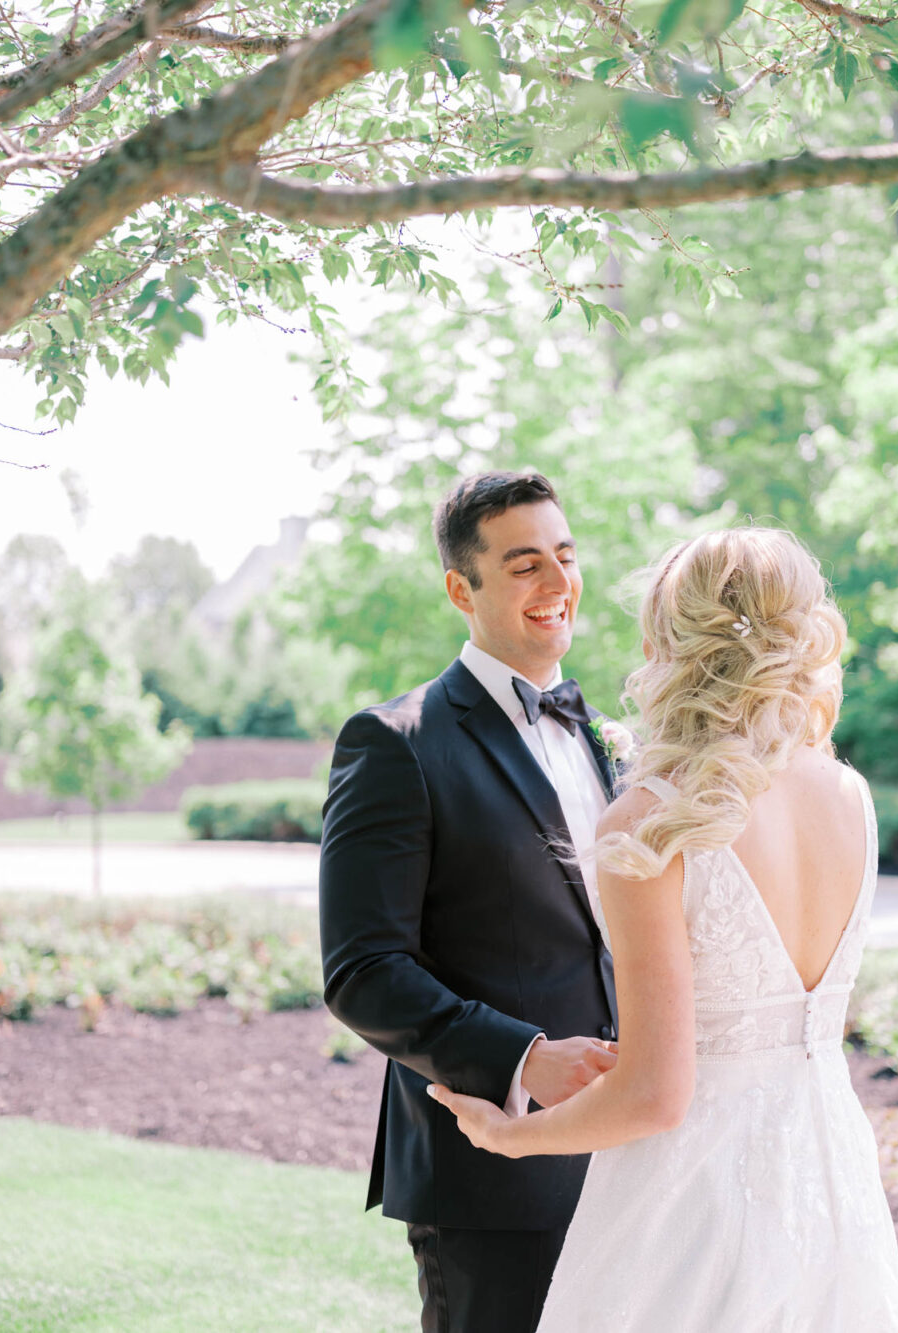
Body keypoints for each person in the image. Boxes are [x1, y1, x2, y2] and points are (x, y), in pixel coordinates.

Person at [431, 526, 898, 1332]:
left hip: (695, 1202)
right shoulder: (850, 796)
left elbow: (657, 1095)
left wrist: (515, 1135)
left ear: (671, 641)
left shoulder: (652, 825)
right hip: (831, 1182)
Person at [319, 471, 620, 1333]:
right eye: (525, 564)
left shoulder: (604, 736)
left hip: (628, 1158)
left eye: (565, 556)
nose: (558, 583)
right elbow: (362, 970)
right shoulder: (394, 743)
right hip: (491, 1170)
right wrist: (525, 1058)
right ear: (462, 587)